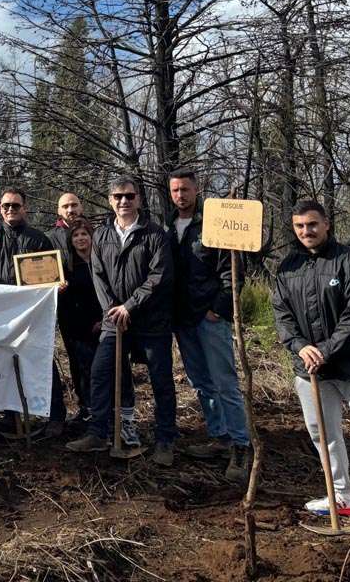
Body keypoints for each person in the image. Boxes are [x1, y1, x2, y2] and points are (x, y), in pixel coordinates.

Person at [273, 200, 350, 532]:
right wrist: (301, 347)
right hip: (311, 369)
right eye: (299, 226)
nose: (305, 231)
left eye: (312, 224)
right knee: (323, 435)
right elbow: (282, 316)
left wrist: (325, 350)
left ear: (326, 224)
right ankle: (343, 497)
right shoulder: (288, 269)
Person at [67, 176, 177, 466]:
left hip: (151, 321)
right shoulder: (102, 235)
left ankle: (165, 440)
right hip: (114, 322)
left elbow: (159, 277)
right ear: (110, 200)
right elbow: (98, 274)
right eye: (118, 197)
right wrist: (112, 310)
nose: (123, 201)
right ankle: (98, 433)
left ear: (138, 199)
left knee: (161, 381)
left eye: (129, 196)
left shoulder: (155, 234)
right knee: (100, 373)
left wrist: (130, 306)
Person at [167, 170, 250, 482]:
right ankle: (220, 436)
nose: (180, 195)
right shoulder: (167, 227)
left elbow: (232, 270)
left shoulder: (214, 222)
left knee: (225, 382)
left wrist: (219, 308)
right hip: (182, 319)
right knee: (201, 382)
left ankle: (241, 445)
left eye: (185, 189)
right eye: (175, 190)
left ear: (196, 190)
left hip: (209, 317)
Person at [0, 188, 69, 436]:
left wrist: (56, 286)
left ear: (24, 208)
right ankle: (11, 416)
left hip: (33, 317)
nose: (10, 210)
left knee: (42, 364)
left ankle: (56, 416)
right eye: (6, 206)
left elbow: (51, 278)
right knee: (6, 366)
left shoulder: (39, 240)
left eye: (15, 206)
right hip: (2, 318)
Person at [57, 218, 120, 427]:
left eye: (84, 234)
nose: (80, 238)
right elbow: (66, 305)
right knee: (86, 373)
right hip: (80, 331)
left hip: (105, 326)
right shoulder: (67, 269)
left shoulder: (104, 261)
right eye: (75, 235)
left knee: (106, 373)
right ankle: (90, 412)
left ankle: (111, 415)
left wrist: (103, 321)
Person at [48, 192, 84, 257]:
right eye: (65, 206)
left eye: (74, 205)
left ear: (81, 208)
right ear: (59, 211)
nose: (70, 210)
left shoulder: (93, 233)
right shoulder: (50, 239)